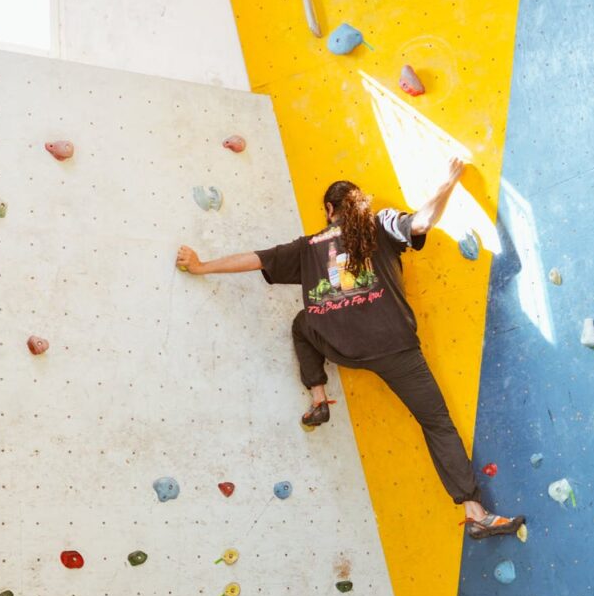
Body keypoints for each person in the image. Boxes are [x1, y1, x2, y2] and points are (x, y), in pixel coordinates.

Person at [175, 157, 525, 539]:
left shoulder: (308, 247)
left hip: (343, 348)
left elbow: (254, 260)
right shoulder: (381, 225)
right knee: (436, 423)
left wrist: (201, 266)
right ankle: (474, 511)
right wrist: (449, 181)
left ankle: (319, 398)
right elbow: (423, 223)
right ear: (361, 205)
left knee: (302, 324)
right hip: (395, 350)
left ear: (329, 210)